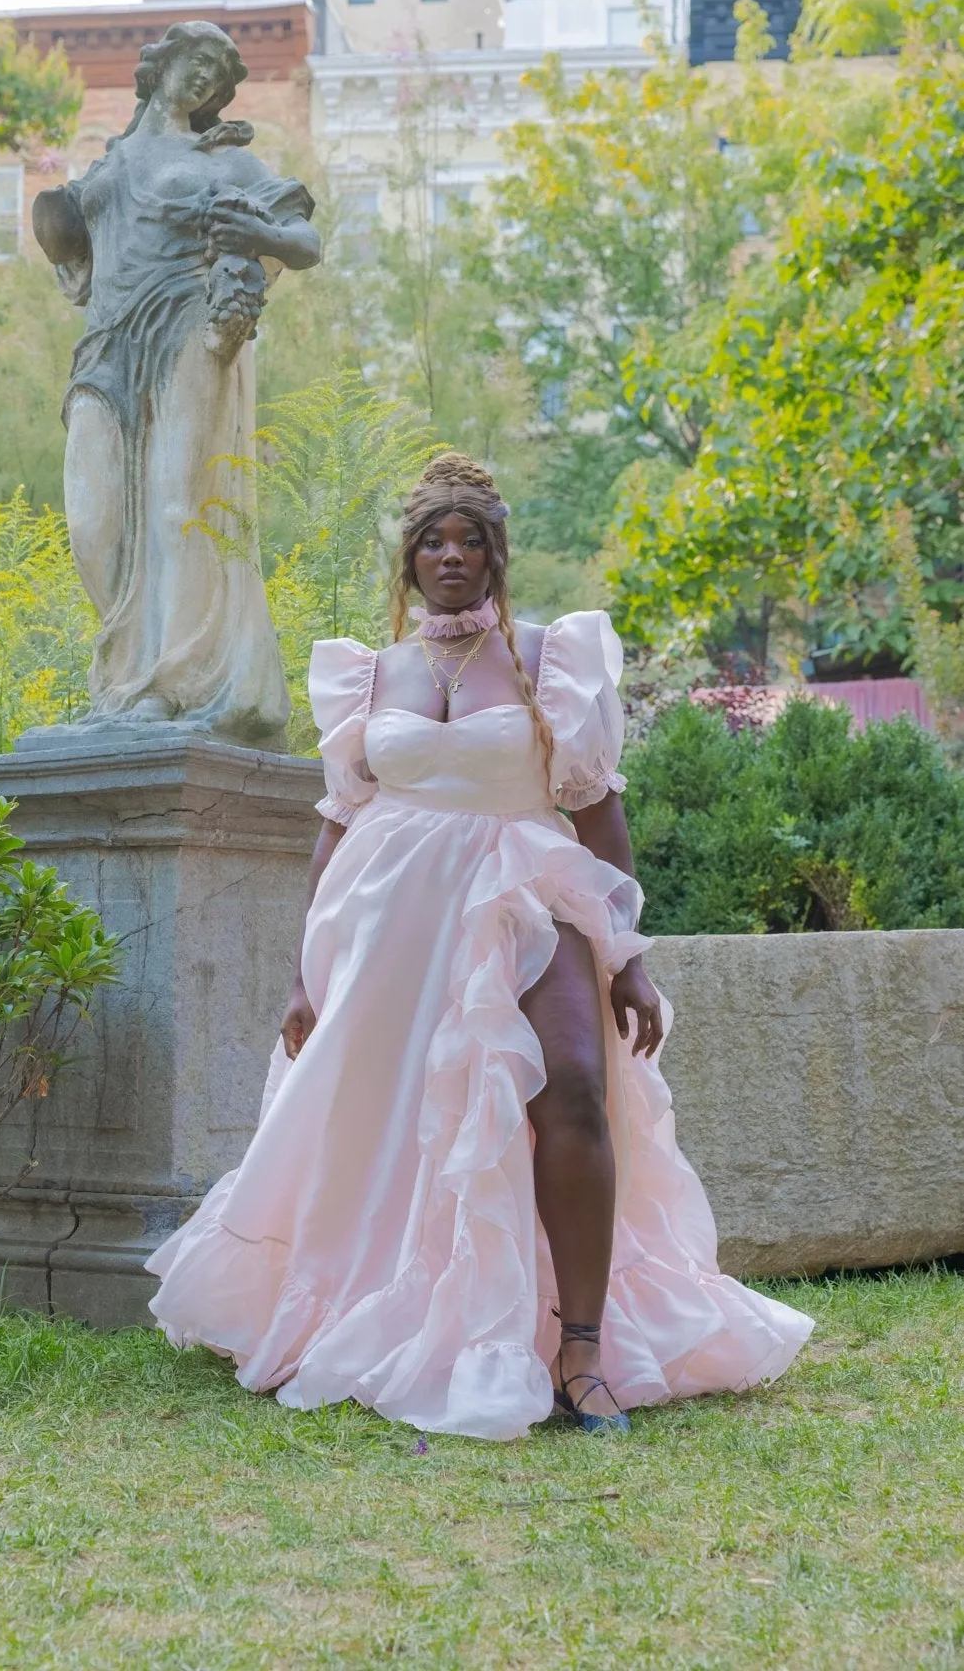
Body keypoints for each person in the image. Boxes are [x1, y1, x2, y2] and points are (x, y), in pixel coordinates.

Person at [146, 454, 813, 1438]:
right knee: (409, 1129)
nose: (450, 556)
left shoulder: (553, 660)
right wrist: (301, 972)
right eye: (431, 540)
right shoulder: (366, 675)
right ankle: (439, 1321)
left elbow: (594, 804)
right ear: (408, 560)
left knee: (577, 1084)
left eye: (468, 540)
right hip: (390, 920)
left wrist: (627, 954)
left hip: (529, 893)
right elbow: (338, 820)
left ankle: (581, 1349)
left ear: (496, 552)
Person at [33, 21, 320, 742]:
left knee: (175, 505)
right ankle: (124, 678)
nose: (202, 80)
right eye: (195, 63)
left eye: (217, 75)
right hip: (107, 342)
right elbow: (73, 251)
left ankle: (172, 681)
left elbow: (304, 242)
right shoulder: (113, 162)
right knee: (93, 521)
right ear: (161, 67)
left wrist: (255, 235)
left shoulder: (227, 163)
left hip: (187, 325)